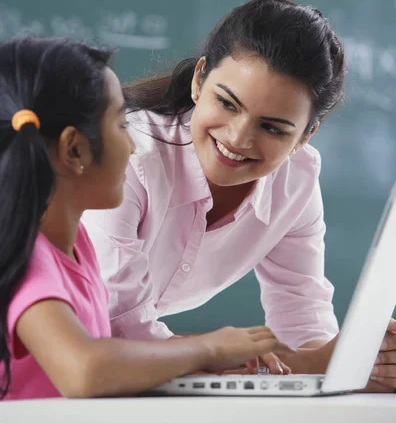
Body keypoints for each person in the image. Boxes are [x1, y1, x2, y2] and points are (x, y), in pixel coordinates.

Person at [83, 0, 396, 392]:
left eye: (273, 128)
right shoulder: (128, 156)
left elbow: (303, 316)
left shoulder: (295, 180)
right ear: (199, 80)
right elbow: (116, 324)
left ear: (305, 135)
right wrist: (214, 355)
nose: (237, 138)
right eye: (227, 103)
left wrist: (354, 365)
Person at [0, 35, 288, 401]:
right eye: (121, 125)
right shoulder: (29, 257)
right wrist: (207, 349)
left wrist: (209, 360)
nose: (133, 145)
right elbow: (84, 370)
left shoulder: (78, 247)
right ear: (74, 149)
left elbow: (112, 363)